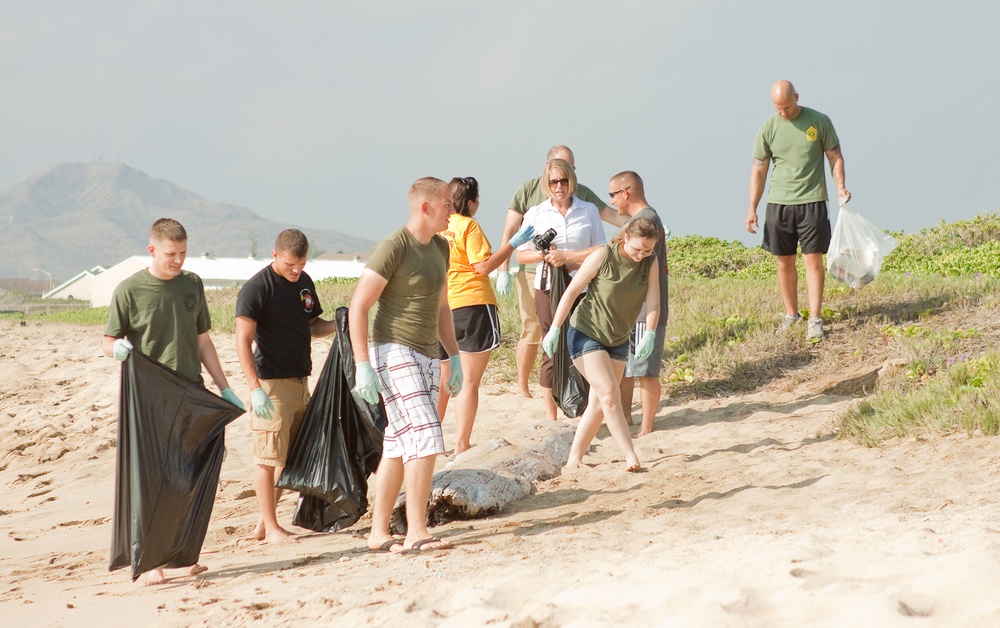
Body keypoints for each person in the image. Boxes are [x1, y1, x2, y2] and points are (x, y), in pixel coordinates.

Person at [103, 217, 244, 584]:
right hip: (151, 399)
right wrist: (115, 348)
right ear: (152, 250)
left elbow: (203, 342)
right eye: (171, 254)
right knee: (153, 481)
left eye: (183, 253)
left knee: (188, 478)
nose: (178, 260)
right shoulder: (129, 290)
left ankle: (181, 555)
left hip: (191, 392)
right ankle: (150, 562)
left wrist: (224, 388)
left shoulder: (192, 284)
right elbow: (109, 339)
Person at [349, 177, 461, 554]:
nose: (452, 208)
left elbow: (442, 307)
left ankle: (378, 532)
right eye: (447, 202)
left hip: (429, 353)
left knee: (397, 442)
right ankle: (416, 531)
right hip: (393, 350)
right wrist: (363, 364)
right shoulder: (393, 246)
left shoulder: (441, 248)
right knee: (427, 434)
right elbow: (358, 307)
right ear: (426, 207)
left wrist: (455, 356)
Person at [497, 145, 625, 399]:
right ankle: (524, 387)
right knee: (535, 331)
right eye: (555, 178)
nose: (560, 183)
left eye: (568, 174)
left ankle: (577, 397)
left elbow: (609, 219)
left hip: (578, 274)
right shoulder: (529, 193)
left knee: (579, 337)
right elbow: (511, 231)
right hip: (538, 274)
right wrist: (503, 268)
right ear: (547, 171)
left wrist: (638, 223)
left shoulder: (584, 199)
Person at [235, 229, 337, 544]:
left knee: (291, 461)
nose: (296, 270)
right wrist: (253, 387)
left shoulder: (304, 283)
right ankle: (272, 528)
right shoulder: (256, 288)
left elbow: (313, 325)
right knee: (268, 460)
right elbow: (243, 340)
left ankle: (264, 524)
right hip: (270, 386)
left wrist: (340, 324)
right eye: (290, 264)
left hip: (300, 382)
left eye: (301, 264)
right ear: (275, 255)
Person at [542, 217, 662, 472]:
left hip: (618, 338)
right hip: (585, 332)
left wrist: (650, 334)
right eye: (637, 249)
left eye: (648, 250)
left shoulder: (650, 262)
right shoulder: (603, 255)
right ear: (626, 237)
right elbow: (572, 291)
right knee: (609, 395)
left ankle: (574, 458)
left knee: (599, 402)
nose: (641, 255)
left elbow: (653, 303)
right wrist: (554, 328)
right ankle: (630, 455)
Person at [746, 80, 851, 342]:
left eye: (787, 107)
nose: (783, 113)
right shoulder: (768, 128)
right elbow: (759, 170)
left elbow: (834, 155)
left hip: (812, 200)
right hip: (779, 203)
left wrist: (840, 186)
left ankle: (815, 319)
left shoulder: (819, 121)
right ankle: (791, 315)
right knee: (784, 261)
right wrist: (752, 208)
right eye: (778, 108)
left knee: (813, 260)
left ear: (797, 97)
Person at [436, 177, 534, 458]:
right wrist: (513, 244)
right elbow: (482, 266)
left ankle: (433, 439)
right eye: (477, 200)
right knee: (468, 382)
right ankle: (462, 443)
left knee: (445, 378)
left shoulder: (440, 228)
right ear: (470, 202)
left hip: (443, 308)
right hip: (473, 305)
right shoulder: (469, 226)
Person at [516, 158, 607, 421]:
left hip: (581, 287)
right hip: (547, 287)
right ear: (546, 184)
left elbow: (601, 249)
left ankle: (582, 410)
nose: (559, 186)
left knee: (583, 346)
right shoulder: (536, 213)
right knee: (551, 347)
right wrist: (544, 256)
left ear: (571, 181)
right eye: (553, 181)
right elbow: (521, 255)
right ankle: (550, 414)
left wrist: (568, 256)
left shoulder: (588, 210)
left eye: (563, 181)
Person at [607, 171, 670, 438]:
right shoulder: (638, 220)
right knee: (625, 367)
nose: (612, 202)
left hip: (647, 308)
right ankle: (626, 419)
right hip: (631, 307)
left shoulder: (647, 220)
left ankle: (646, 427)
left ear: (625, 192)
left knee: (645, 370)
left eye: (612, 195)